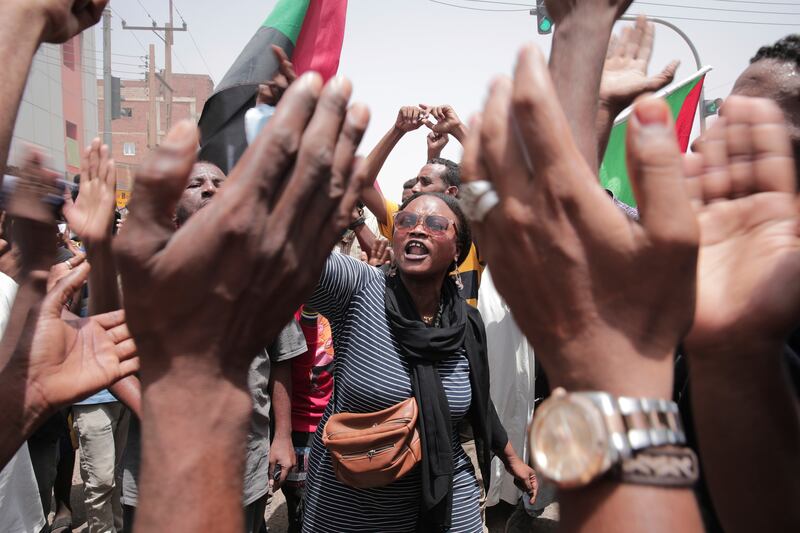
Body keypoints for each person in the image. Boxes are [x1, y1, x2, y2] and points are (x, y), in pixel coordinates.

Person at [301, 191, 535, 532]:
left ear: (458, 250)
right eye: (407, 221)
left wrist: (512, 459)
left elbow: (479, 405)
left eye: (436, 224)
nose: (418, 229)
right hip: (352, 501)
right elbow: (290, 256)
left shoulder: (466, 322)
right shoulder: (360, 289)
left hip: (446, 497)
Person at [119, 160, 307, 533]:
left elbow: (282, 359)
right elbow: (114, 362)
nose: (209, 189)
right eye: (195, 183)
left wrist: (282, 437)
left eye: (219, 183)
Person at [281, 306, 335, 533]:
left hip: (337, 423)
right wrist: (309, 316)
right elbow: (299, 367)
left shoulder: (342, 300)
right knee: (302, 512)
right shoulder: (287, 308)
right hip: (301, 429)